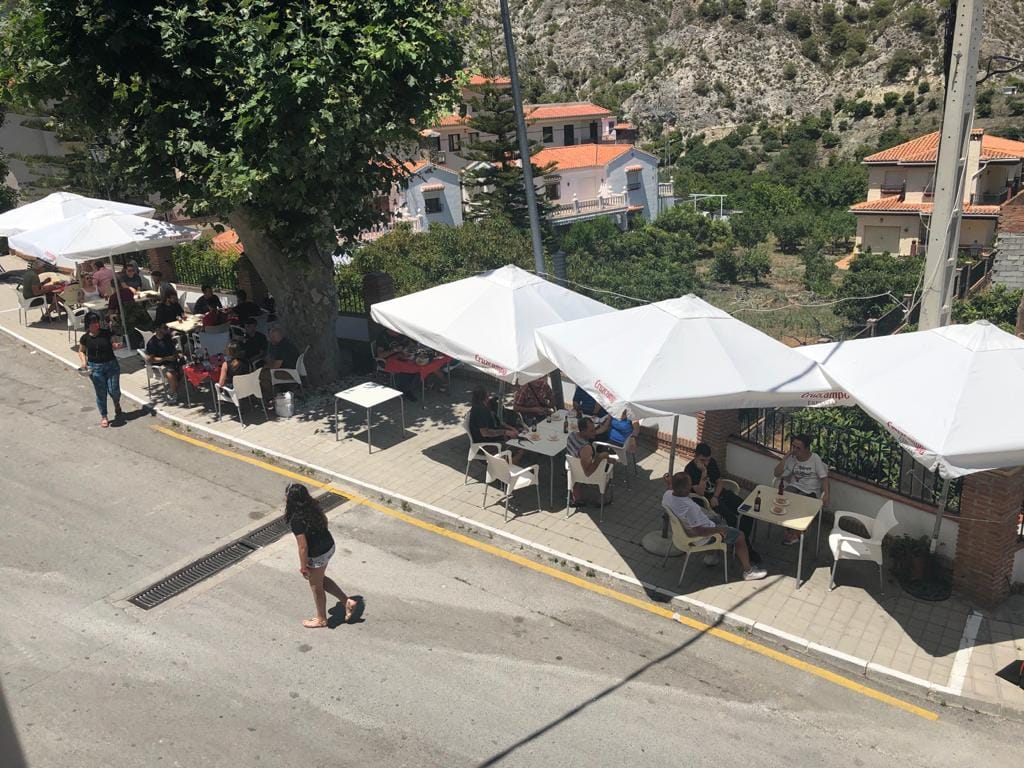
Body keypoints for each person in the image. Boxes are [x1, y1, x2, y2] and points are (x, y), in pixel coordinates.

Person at [662, 472, 767, 581]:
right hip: (700, 537)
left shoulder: (667, 495)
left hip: (684, 531)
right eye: (690, 484)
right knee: (740, 536)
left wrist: (669, 483)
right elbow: (700, 531)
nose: (691, 485)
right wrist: (719, 530)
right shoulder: (689, 508)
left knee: (716, 518)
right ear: (686, 488)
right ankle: (748, 571)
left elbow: (672, 489)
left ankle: (710, 556)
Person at [285, 483, 359, 628]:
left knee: (316, 587)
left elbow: (303, 547)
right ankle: (347, 602)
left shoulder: (296, 519)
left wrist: (303, 567)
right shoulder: (314, 506)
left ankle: (321, 619)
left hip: (317, 555)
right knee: (319, 579)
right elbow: (324, 521)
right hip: (329, 546)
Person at [685, 442, 761, 565]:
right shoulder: (690, 470)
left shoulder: (712, 463)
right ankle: (745, 548)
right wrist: (703, 473)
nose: (706, 463)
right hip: (706, 501)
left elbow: (719, 482)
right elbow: (700, 492)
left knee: (747, 511)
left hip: (719, 495)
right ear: (696, 456)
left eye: (708, 460)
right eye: (703, 460)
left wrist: (715, 495)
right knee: (732, 518)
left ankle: (741, 542)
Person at [773, 433, 830, 545]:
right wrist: (785, 458)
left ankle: (796, 533)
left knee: (799, 504)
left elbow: (824, 478)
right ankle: (790, 528)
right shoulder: (792, 459)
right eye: (793, 446)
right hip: (795, 486)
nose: (794, 450)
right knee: (783, 499)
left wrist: (827, 495)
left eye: (798, 448)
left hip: (810, 490)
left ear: (807, 449)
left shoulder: (815, 459)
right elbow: (776, 473)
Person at [77, 312, 123, 428]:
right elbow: (81, 351)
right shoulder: (85, 338)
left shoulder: (106, 333)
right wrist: (84, 362)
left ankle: (116, 403)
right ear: (88, 324)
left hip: (111, 365)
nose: (96, 324)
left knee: (114, 391)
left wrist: (116, 345)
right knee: (101, 393)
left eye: (97, 322)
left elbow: (114, 341)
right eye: (93, 323)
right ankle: (104, 416)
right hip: (95, 368)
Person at [566, 417, 615, 508]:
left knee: (578, 464)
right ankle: (600, 500)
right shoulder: (586, 448)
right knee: (609, 468)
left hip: (573, 470)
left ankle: (576, 497)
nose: (594, 432)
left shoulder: (571, 435)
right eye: (591, 430)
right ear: (583, 431)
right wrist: (600, 457)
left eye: (594, 429)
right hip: (586, 474)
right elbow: (588, 473)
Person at [260, 326, 300, 406]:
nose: (271, 339)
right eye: (271, 337)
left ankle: (275, 397)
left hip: (289, 372)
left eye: (273, 337)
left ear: (279, 336)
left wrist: (266, 367)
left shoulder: (283, 346)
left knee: (262, 375)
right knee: (263, 378)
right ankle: (273, 397)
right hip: (289, 370)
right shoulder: (285, 343)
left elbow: (276, 365)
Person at [144, 322, 183, 404]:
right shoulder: (152, 343)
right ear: (158, 329)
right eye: (165, 328)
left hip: (172, 361)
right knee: (171, 375)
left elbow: (173, 349)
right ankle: (172, 393)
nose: (167, 329)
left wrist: (177, 354)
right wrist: (166, 358)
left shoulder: (168, 337)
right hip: (161, 364)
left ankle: (173, 388)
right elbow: (150, 359)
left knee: (185, 369)